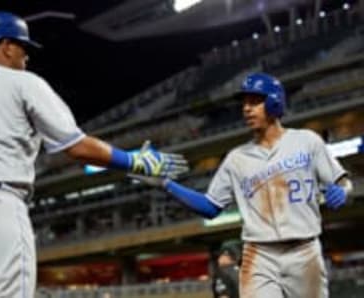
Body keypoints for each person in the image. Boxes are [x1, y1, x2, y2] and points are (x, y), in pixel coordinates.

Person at [0, 11, 188, 298]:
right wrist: (134, 161)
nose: (27, 56)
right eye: (23, 47)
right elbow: (75, 146)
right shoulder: (22, 82)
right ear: (6, 45)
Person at [132, 72, 353, 298]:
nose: (246, 109)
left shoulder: (307, 141)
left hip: (304, 251)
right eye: (244, 103)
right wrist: (166, 184)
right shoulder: (236, 158)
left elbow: (342, 181)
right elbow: (210, 207)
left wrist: (342, 190)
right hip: (259, 254)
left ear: (275, 101)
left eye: (255, 101)